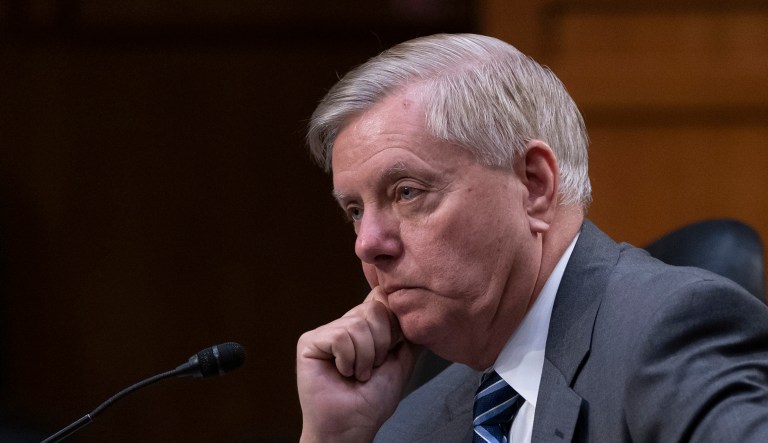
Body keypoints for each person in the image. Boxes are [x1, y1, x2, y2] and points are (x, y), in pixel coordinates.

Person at [295, 33, 768, 442]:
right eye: (355, 211)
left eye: (407, 192)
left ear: (535, 186)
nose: (367, 243)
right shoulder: (413, 422)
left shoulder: (669, 335)